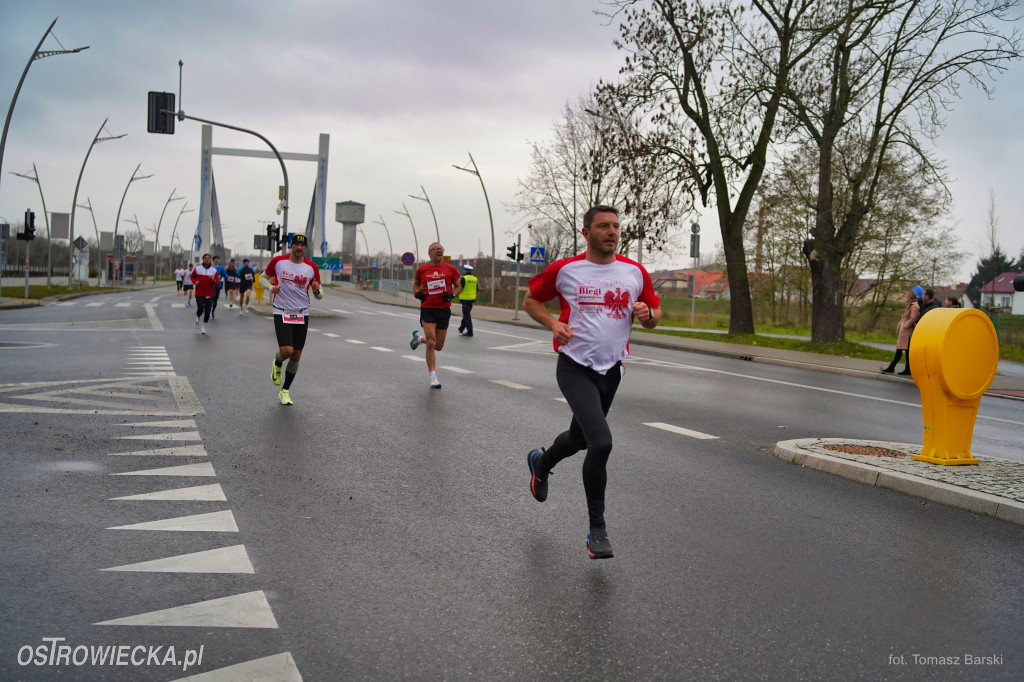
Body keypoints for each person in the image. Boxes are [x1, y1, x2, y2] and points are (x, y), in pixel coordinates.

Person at [522, 205, 661, 560]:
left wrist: (648, 315)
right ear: (587, 232)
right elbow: (531, 300)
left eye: (616, 226)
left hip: (611, 370)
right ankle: (597, 530)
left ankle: (542, 461)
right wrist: (553, 324)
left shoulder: (634, 272)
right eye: (603, 226)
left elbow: (655, 315)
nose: (612, 232)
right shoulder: (567, 270)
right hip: (575, 367)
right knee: (601, 443)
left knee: (581, 438)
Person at [260, 234, 322, 405]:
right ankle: (277, 362)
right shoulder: (278, 262)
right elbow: (262, 278)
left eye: (302, 245)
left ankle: (285, 390)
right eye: (296, 244)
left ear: (306, 248)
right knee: (286, 350)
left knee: (296, 354)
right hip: (281, 310)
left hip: (302, 313)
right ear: (291, 246)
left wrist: (317, 291)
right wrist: (271, 287)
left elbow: (320, 295)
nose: (299, 248)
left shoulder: (311, 267)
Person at [409, 242, 462, 388]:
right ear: (430, 253)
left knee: (438, 346)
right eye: (437, 249)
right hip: (428, 309)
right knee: (431, 342)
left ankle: (419, 338)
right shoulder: (422, 269)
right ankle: (433, 377)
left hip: (444, 310)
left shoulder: (450, 268)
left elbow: (459, 286)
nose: (440, 251)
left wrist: (451, 295)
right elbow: (416, 284)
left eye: (441, 249)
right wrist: (417, 293)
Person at [882, 290, 921, 376]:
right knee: (902, 350)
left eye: (906, 296)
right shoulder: (910, 305)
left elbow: (913, 318)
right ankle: (903, 369)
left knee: (902, 350)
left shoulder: (914, 306)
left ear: (910, 298)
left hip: (907, 332)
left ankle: (893, 368)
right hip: (904, 331)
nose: (905, 298)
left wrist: (906, 325)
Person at [192, 254, 220, 335]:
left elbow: (217, 282)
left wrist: (213, 279)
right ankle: (198, 318)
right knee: (200, 309)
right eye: (205, 258)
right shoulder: (198, 268)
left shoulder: (214, 270)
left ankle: (204, 326)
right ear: (203, 259)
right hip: (199, 293)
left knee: (207, 312)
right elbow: (192, 277)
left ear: (210, 260)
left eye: (208, 258)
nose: (207, 259)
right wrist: (195, 282)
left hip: (209, 294)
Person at [456, 264, 478, 337]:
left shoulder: (463, 278)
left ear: (465, 270)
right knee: (466, 315)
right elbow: (476, 289)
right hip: (472, 299)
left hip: (465, 299)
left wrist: (454, 295)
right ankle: (461, 328)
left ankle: (470, 332)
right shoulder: (475, 279)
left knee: (467, 316)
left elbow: (459, 288)